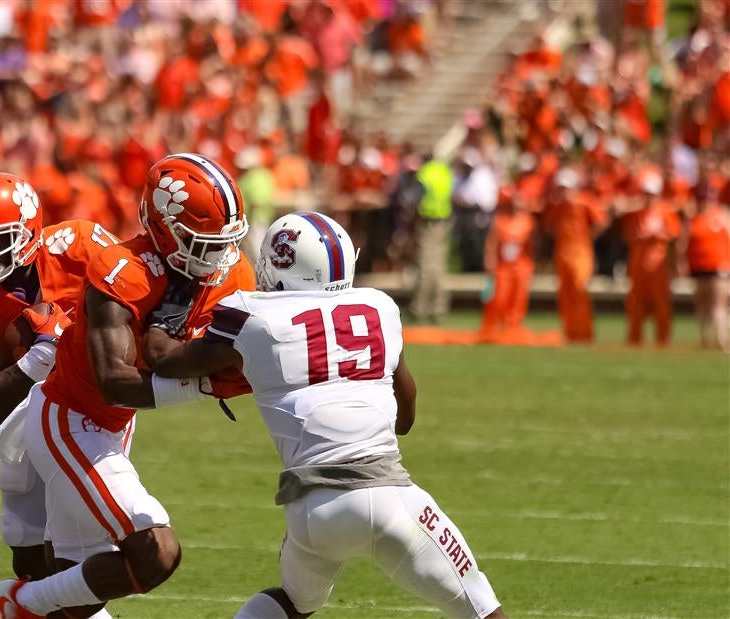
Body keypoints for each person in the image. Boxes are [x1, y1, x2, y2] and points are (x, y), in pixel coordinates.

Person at [141, 211, 506, 619]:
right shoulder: (378, 306)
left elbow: (163, 359)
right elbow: (407, 408)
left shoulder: (250, 314)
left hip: (313, 511)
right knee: (480, 604)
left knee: (293, 603)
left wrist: (170, 306)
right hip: (389, 495)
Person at [0, 153, 255, 618]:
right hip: (70, 420)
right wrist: (206, 387)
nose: (220, 256)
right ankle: (20, 603)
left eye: (224, 242)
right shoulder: (121, 269)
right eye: (202, 242)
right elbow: (115, 382)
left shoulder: (231, 272)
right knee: (156, 553)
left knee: (81, 596)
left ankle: (32, 604)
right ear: (164, 226)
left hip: (115, 427)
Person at [0, 172, 120, 618]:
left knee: (85, 554)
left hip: (90, 409)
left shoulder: (81, 248)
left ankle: (21, 606)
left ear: (28, 233)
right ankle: (25, 603)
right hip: (22, 421)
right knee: (29, 550)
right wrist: (41, 354)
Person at [543, 167, 607, 344]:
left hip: (581, 252)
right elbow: (548, 226)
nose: (564, 192)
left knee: (580, 289)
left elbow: (601, 221)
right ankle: (570, 332)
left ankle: (584, 332)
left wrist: (588, 235)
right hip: (562, 252)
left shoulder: (585, 202)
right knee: (566, 293)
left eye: (566, 188)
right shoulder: (557, 205)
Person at [622, 171, 681, 346]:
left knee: (661, 303)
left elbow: (673, 235)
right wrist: (641, 236)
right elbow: (628, 235)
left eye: (651, 194)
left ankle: (663, 339)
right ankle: (635, 338)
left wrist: (657, 235)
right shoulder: (636, 214)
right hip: (638, 264)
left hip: (658, 265)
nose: (648, 197)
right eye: (645, 193)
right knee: (635, 303)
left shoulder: (666, 212)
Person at [480, 188, 536, 342]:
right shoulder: (500, 221)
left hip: (521, 265)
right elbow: (492, 243)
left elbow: (533, 245)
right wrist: (489, 261)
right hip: (503, 266)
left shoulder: (528, 221)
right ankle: (493, 328)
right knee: (499, 297)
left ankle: (513, 328)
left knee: (518, 298)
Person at [684, 180, 730, 351]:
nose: (705, 202)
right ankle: (706, 340)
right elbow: (685, 244)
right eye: (702, 198)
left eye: (709, 198)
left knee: (718, 303)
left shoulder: (723, 216)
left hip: (720, 266)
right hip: (699, 267)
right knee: (702, 303)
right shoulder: (694, 219)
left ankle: (721, 340)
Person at [411, 155, 453, 323]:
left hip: (427, 221)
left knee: (425, 265)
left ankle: (420, 307)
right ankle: (439, 308)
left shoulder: (425, 173)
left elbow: (415, 196)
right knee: (440, 266)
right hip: (444, 220)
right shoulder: (445, 171)